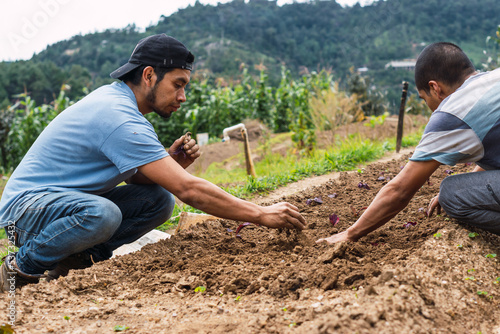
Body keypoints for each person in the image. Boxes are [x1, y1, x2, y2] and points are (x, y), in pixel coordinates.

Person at [0, 34, 306, 292]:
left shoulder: (121, 106)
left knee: (158, 200)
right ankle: (19, 268)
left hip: (55, 206)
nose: (183, 96)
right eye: (178, 84)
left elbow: (137, 182)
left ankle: (77, 259)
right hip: (26, 211)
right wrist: (261, 213)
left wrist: (172, 162)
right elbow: (189, 190)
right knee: (102, 213)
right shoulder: (119, 117)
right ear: (149, 76)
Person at [318, 42, 500, 245]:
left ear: (434, 88)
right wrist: (471, 188)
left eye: (424, 98)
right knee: (459, 191)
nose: (428, 106)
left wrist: (349, 234)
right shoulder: (493, 79)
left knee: (451, 193)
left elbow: (400, 190)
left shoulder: (452, 112)